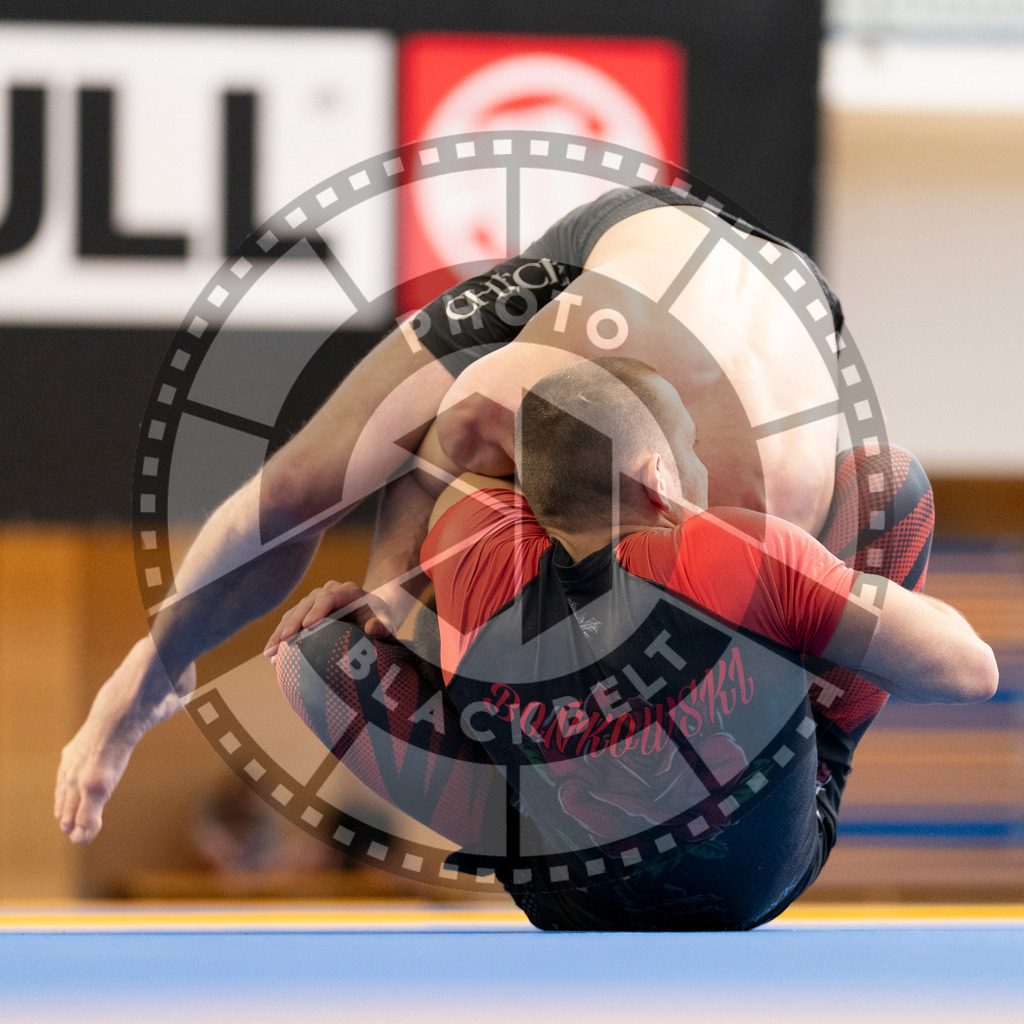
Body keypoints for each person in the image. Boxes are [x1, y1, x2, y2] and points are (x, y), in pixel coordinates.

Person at [54, 183, 886, 845]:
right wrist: (389, 595)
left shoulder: (784, 519)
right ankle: (149, 673)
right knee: (307, 486)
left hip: (790, 308)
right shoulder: (542, 371)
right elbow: (454, 425)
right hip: (627, 252)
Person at [273, 357, 997, 930]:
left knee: (311, 655)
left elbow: (464, 441)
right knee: (885, 480)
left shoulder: (466, 542)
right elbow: (971, 672)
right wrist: (813, 591)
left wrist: (381, 593)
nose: (703, 472)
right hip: (756, 881)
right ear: (659, 478)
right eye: (690, 455)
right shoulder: (738, 549)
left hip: (569, 902)